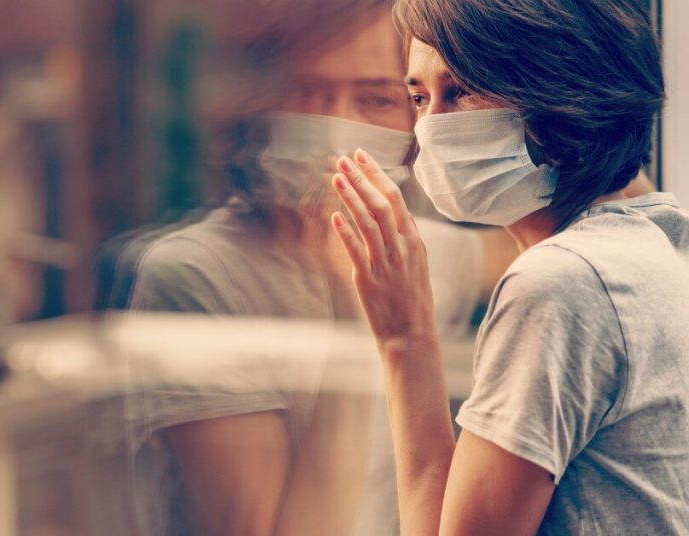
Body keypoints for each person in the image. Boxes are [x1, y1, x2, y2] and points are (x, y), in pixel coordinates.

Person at [122, 1, 515, 534]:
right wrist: (356, 314)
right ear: (262, 104)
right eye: (308, 92)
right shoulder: (193, 274)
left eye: (376, 98)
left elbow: (561, 249)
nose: (338, 125)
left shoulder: (413, 250)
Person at [329, 0, 689, 534]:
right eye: (419, 98)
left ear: (559, 95)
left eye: (463, 90)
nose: (431, 130)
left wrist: (404, 338)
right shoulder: (660, 243)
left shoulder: (561, 284)